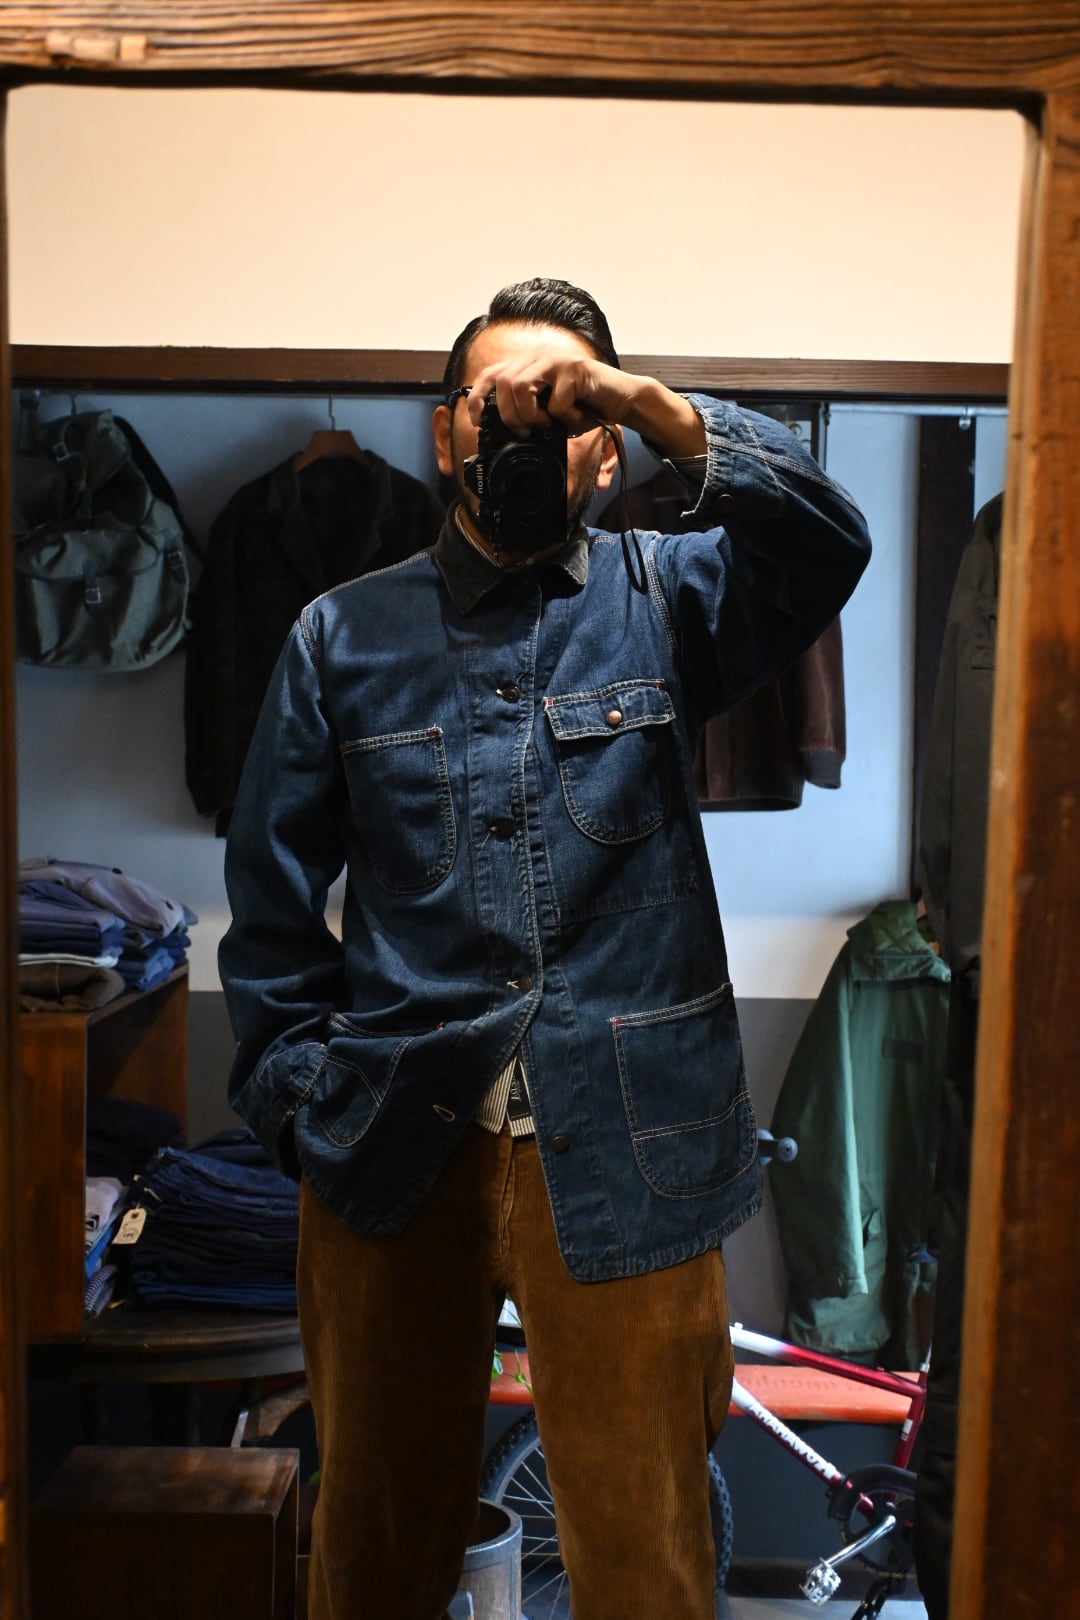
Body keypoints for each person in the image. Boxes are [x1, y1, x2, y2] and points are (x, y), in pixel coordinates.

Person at [219, 277, 872, 1620]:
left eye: (560, 412)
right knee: (372, 1553)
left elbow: (826, 538)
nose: (521, 432)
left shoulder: (670, 597)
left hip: (637, 1152)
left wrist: (643, 400)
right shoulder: (342, 636)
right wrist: (301, 1107)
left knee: (645, 1562)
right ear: (444, 436)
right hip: (392, 1146)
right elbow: (270, 902)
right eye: (491, 406)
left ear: (605, 451)